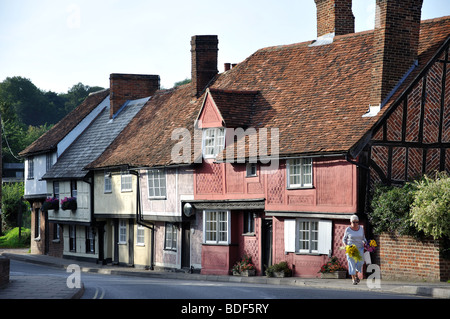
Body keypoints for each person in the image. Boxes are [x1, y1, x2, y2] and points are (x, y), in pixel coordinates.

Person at [342, 215, 367, 285]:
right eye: (354, 222)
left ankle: (355, 274)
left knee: (361, 262)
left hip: (360, 248)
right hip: (351, 249)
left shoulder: (361, 229)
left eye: (357, 222)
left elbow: (363, 238)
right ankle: (353, 279)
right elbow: (344, 240)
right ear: (350, 222)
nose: (355, 223)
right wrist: (346, 246)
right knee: (351, 263)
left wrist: (366, 243)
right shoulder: (348, 229)